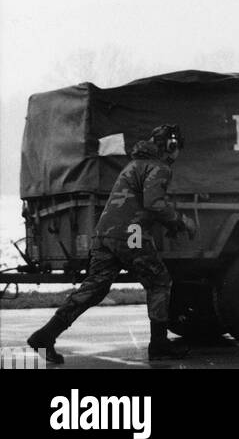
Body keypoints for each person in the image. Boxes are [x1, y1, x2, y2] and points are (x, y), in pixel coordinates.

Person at [27, 123, 195, 363]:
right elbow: (153, 203)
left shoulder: (134, 165)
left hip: (104, 233)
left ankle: (45, 335)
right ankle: (159, 345)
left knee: (94, 289)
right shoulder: (158, 167)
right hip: (131, 232)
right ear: (171, 145)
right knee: (159, 281)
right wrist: (181, 221)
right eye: (178, 147)